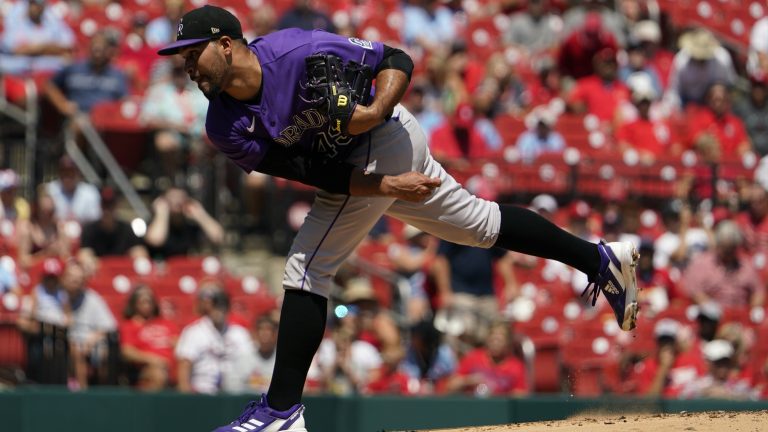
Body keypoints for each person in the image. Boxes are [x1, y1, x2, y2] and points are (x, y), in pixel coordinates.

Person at [157, 7, 639, 430]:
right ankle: (598, 259)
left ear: (226, 44)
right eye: (183, 58)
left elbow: (395, 60)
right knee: (480, 225)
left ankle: (281, 411)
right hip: (360, 168)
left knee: (306, 267)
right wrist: (387, 186)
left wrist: (373, 110)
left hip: (387, 135)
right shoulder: (223, 125)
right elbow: (312, 171)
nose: (187, 66)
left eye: (193, 53)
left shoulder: (296, 51)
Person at [175, 283, 255, 394]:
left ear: (228, 309)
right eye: (216, 306)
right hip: (202, 392)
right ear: (209, 307)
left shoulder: (239, 333)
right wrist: (187, 395)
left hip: (234, 392)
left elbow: (250, 361)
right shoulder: (194, 332)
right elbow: (184, 365)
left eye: (223, 306)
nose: (219, 311)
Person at [681, 220, 765, 309]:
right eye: (726, 250)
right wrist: (714, 310)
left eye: (732, 249)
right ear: (718, 245)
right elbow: (695, 293)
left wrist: (753, 309)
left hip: (741, 315)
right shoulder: (701, 264)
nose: (729, 254)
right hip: (711, 316)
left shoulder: (746, 265)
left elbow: (758, 292)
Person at [45, 31, 128, 117]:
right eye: (95, 49)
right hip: (79, 116)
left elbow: (123, 99)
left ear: (108, 51)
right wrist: (62, 105)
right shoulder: (74, 68)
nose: (97, 55)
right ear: (89, 48)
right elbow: (50, 85)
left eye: (101, 50)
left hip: (106, 119)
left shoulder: (117, 74)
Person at [63, 260, 118, 390]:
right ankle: (82, 391)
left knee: (105, 351)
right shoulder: (55, 296)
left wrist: (92, 338)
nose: (75, 281)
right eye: (71, 277)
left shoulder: (93, 299)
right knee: (75, 348)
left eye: (78, 278)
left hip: (88, 343)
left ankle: (103, 391)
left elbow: (110, 327)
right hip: (60, 341)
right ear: (63, 277)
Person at [119, 284, 178, 391]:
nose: (147, 305)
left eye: (149, 302)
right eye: (142, 302)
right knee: (158, 373)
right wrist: (153, 360)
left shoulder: (167, 324)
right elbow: (127, 351)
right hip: (145, 368)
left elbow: (177, 344)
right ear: (134, 304)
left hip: (171, 366)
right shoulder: (129, 326)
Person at [77, 187, 149, 274]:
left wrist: (135, 258)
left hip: (122, 273)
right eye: (105, 205)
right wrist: (90, 260)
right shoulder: (90, 229)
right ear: (100, 206)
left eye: (110, 206)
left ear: (116, 206)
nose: (107, 210)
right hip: (99, 274)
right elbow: (84, 254)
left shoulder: (127, 229)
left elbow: (140, 253)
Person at [144, 186, 225, 259]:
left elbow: (218, 237)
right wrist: (162, 213)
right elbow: (155, 241)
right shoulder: (155, 223)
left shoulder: (190, 226)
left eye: (180, 198)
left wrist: (200, 214)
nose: (177, 202)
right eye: (173, 197)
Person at [0, 0, 75, 76]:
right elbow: (15, 50)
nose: (36, 7)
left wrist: (36, 48)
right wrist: (48, 48)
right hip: (22, 72)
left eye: (39, 4)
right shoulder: (16, 24)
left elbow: (68, 47)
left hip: (50, 71)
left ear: (44, 6)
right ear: (28, 5)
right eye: (33, 4)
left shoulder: (53, 24)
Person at [45, 155, 102, 224]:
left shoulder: (90, 192)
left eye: (71, 172)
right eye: (63, 172)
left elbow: (95, 220)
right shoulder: (50, 190)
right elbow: (43, 218)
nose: (67, 176)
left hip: (85, 232)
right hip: (57, 232)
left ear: (78, 173)